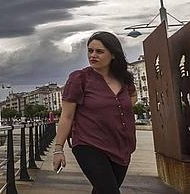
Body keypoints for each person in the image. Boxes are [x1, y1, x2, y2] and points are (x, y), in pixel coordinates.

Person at [53, 31, 137, 194]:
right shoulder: (80, 78)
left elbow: (132, 96)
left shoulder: (124, 79)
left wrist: (118, 107)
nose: (93, 55)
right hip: (89, 144)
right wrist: (58, 149)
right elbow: (67, 116)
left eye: (99, 51)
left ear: (113, 54)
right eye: (90, 51)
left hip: (122, 145)